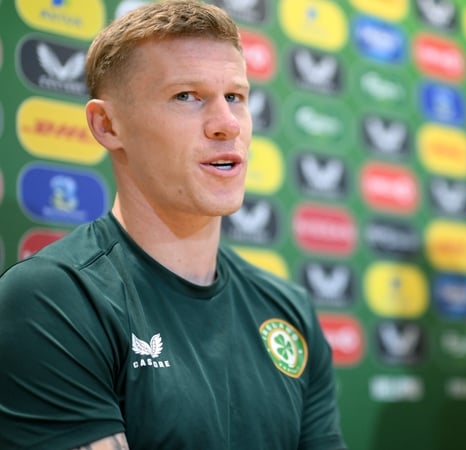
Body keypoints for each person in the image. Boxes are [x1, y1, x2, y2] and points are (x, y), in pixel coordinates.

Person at [0, 2, 347, 449]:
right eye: (187, 96)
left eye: (236, 97)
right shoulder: (53, 299)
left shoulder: (289, 311)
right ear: (107, 125)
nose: (226, 125)